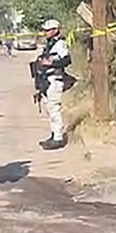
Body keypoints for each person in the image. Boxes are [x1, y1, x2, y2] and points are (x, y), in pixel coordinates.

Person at [36, 19, 71, 151]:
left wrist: (51, 64)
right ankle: (54, 134)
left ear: (55, 30)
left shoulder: (60, 44)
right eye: (44, 30)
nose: (45, 33)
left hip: (55, 80)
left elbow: (67, 60)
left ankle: (58, 138)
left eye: (48, 30)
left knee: (54, 109)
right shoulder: (50, 44)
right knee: (49, 110)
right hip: (46, 81)